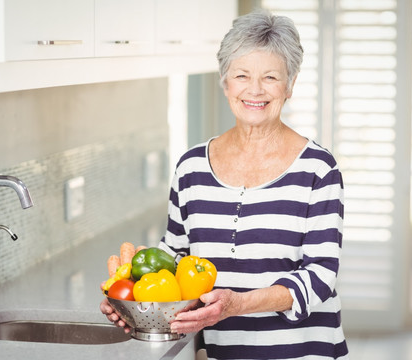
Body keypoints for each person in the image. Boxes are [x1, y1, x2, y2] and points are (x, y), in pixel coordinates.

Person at [101, 10, 349, 360]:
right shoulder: (192, 168)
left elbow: (321, 276)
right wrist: (135, 304)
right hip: (223, 352)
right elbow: (174, 259)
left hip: (303, 352)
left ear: (290, 85)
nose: (255, 90)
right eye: (242, 75)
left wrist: (238, 304)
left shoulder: (318, 169)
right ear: (225, 82)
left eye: (271, 77)